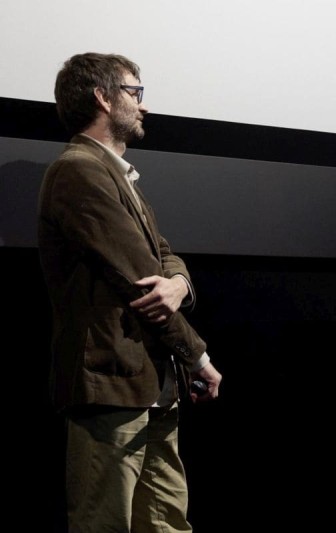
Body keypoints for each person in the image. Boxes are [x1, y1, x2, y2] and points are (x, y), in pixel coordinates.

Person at [38, 52, 223, 532]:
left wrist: (180, 282)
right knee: (107, 524)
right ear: (103, 97)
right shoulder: (79, 170)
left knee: (166, 522)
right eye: (134, 92)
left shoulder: (119, 174)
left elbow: (165, 258)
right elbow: (141, 277)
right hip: (110, 385)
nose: (143, 106)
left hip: (150, 382)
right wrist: (198, 358)